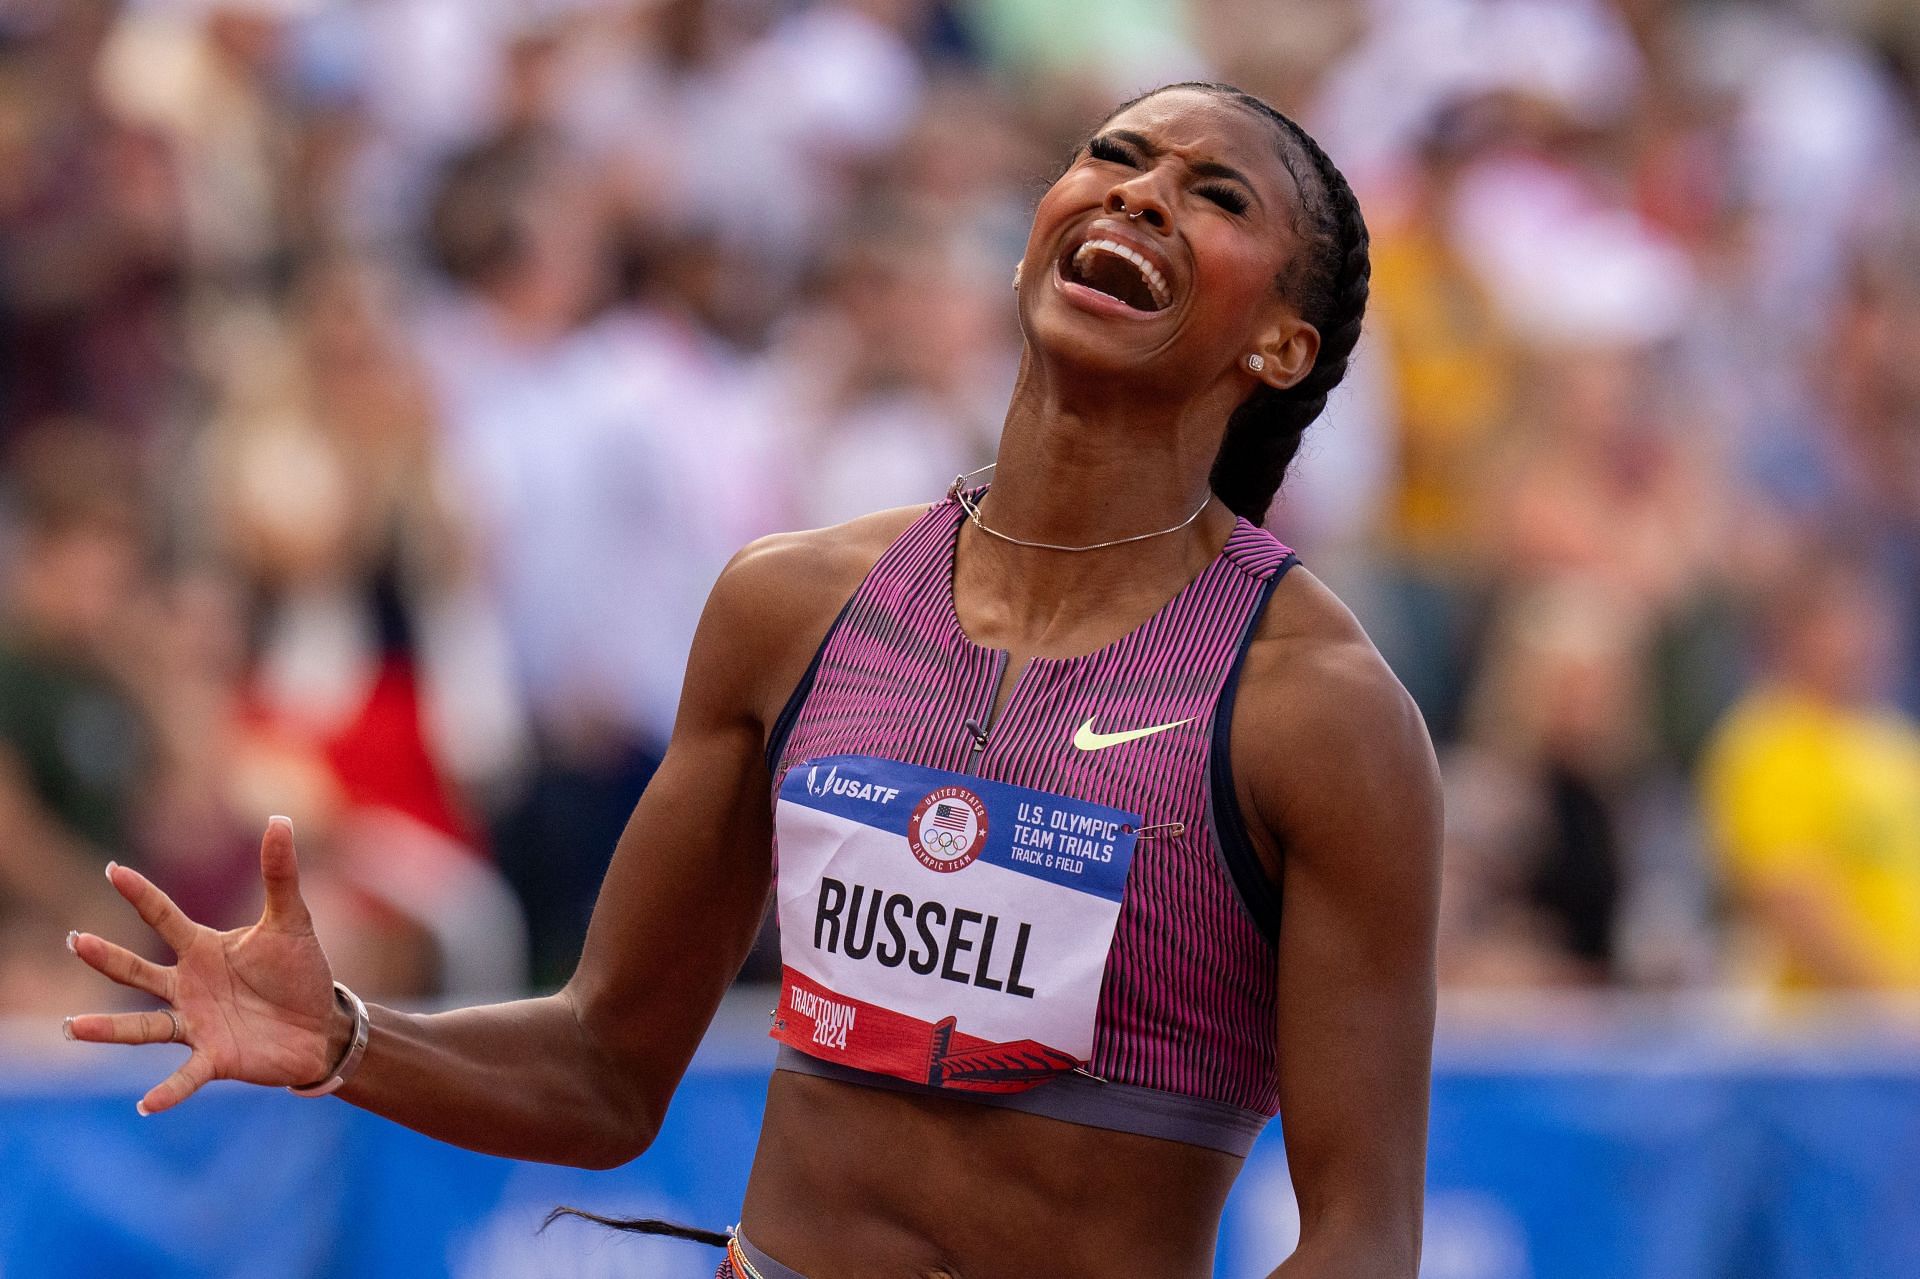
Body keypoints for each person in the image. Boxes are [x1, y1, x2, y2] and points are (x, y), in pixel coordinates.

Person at [63, 83, 1442, 1278]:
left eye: (1210, 195)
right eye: (1115, 156)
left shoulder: (1319, 713)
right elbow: (604, 1069)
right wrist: (348, 1037)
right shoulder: (790, 607)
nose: (1138, 197)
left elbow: (1363, 1241)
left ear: (1283, 345)